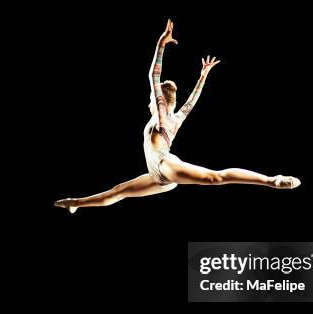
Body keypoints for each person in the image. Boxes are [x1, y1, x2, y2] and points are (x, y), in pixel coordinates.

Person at [55, 19, 300, 214]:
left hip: (165, 166)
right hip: (158, 176)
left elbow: (153, 76)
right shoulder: (174, 118)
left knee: (214, 177)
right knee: (118, 191)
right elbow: (191, 102)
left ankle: (272, 180)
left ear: (159, 100)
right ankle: (77, 202)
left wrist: (161, 45)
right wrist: (202, 76)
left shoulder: (162, 116)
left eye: (152, 98)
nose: (148, 99)